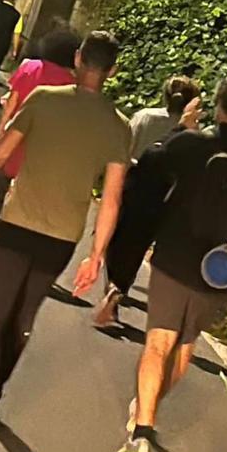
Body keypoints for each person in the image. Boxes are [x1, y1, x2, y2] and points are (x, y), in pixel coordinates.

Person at [0, 31, 131, 448]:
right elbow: (112, 199)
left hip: (18, 223)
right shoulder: (118, 126)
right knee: (23, 317)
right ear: (112, 71)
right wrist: (96, 255)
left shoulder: (44, 99)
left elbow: (4, 148)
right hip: (61, 238)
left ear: (78, 58)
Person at [110, 74, 227, 452]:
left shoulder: (190, 144)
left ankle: (140, 437)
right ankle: (145, 409)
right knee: (184, 348)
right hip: (219, 271)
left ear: (217, 106)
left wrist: (182, 128)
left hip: (173, 258)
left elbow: (150, 165)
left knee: (158, 343)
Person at [0, 24, 80, 267]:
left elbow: (13, 101)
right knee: (21, 201)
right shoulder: (72, 84)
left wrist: (1, 130)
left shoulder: (30, 67)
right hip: (42, 150)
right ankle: (7, 247)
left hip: (15, 140)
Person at [92, 75, 201, 329]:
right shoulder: (194, 134)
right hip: (163, 196)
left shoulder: (145, 117)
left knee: (116, 240)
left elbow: (123, 150)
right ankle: (119, 288)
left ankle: (112, 287)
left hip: (132, 184)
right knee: (138, 245)